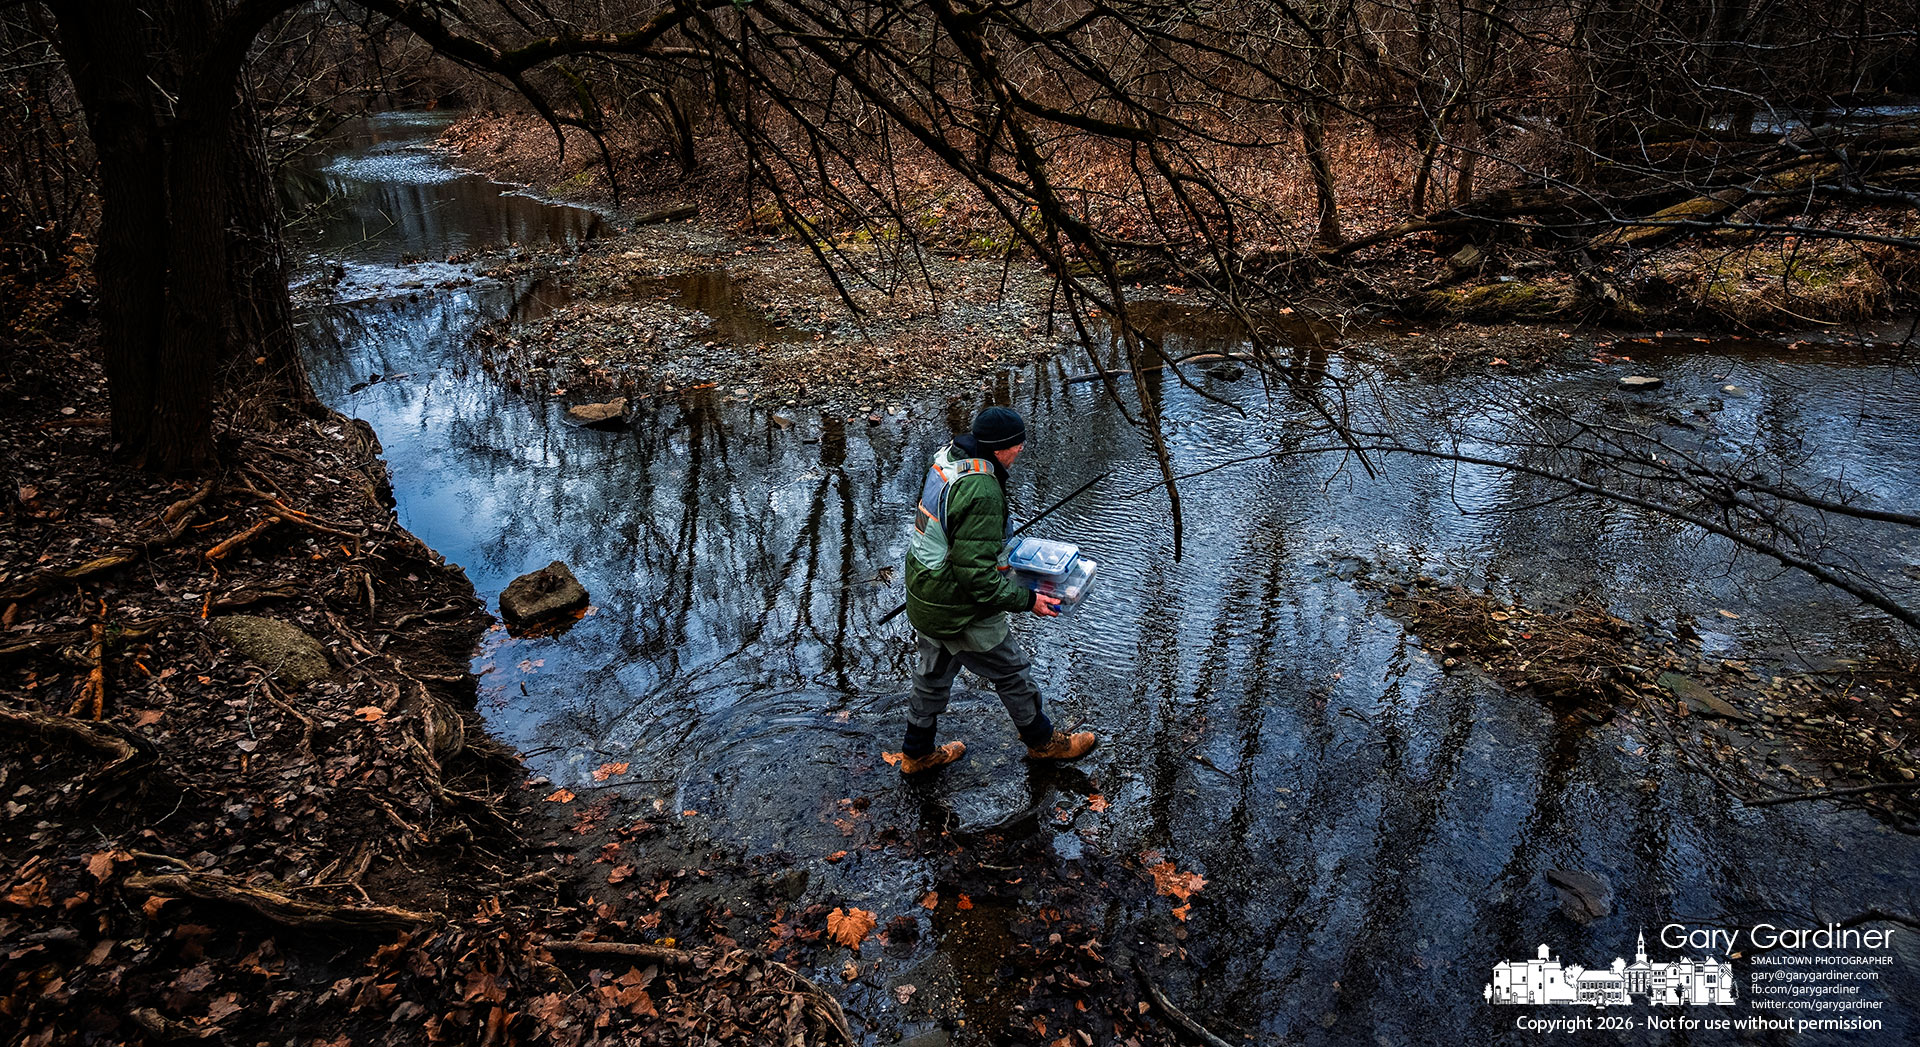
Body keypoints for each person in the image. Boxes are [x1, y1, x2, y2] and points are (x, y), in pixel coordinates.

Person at [896, 406, 1097, 774]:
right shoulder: (982, 490)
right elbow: (977, 580)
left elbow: (960, 539)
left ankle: (916, 753)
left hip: (925, 592)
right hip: (958, 606)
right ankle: (1043, 743)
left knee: (931, 676)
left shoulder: (949, 459)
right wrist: (1029, 599)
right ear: (999, 447)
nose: (1021, 449)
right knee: (1012, 671)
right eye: (1017, 444)